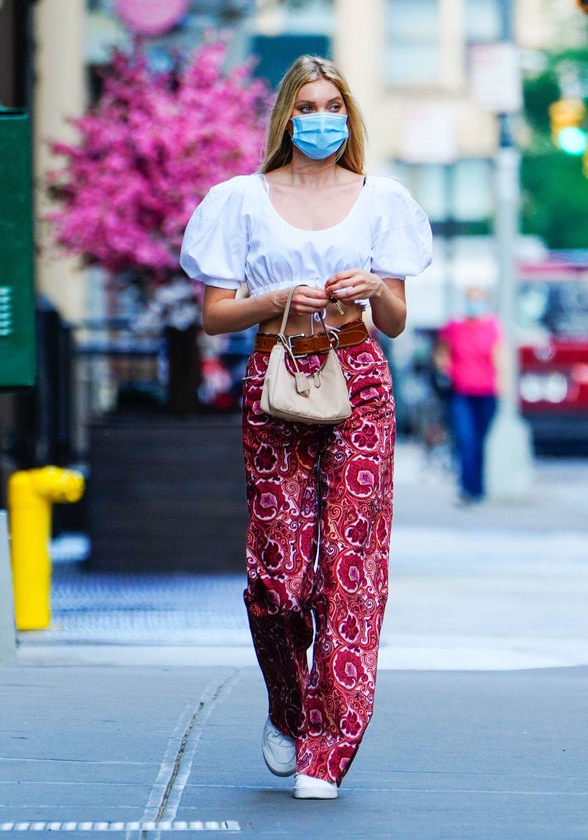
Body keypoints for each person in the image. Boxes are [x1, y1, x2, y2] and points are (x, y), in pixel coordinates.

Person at [180, 55, 432, 800]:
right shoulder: (241, 200)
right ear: (287, 114)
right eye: (309, 105)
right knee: (277, 578)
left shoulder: (381, 199)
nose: (322, 118)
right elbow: (213, 314)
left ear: (348, 117)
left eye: (335, 106)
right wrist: (277, 297)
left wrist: (369, 293)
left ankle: (329, 746)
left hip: (357, 378)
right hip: (277, 377)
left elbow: (397, 318)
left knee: (349, 567)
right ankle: (289, 710)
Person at [434, 286, 503, 505]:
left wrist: (505, 387)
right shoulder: (455, 326)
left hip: (487, 393)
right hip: (462, 392)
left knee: (479, 442)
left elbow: (498, 356)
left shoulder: (492, 326)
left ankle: (478, 487)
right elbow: (441, 351)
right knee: (466, 440)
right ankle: (466, 488)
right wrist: (445, 368)